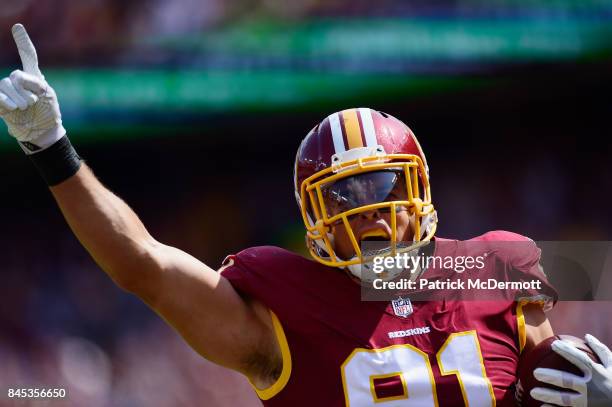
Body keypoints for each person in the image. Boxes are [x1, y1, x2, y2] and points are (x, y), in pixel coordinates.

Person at [1, 24, 611, 407]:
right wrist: (53, 148)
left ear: (418, 186)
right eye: (342, 196)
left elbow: (558, 383)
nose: (368, 209)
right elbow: (143, 265)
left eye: (380, 184)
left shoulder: (495, 267)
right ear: (312, 214)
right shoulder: (284, 307)